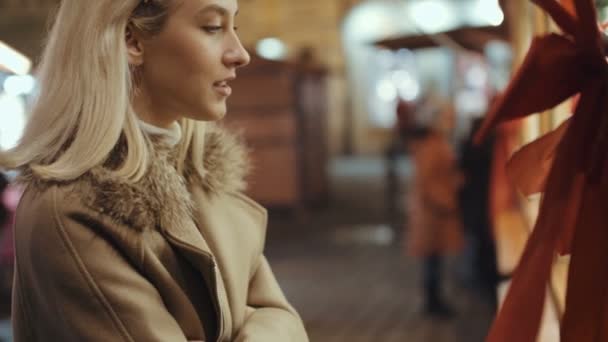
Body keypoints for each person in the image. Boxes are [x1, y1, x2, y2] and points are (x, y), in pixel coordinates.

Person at [0, 0, 308, 341]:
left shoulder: (199, 174)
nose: (240, 54)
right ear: (132, 41)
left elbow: (279, 314)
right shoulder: (71, 212)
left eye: (234, 27)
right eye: (212, 27)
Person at [406, 126, 464, 317]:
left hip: (431, 214)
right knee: (433, 260)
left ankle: (433, 301)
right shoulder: (433, 149)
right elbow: (428, 183)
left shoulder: (430, 148)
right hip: (433, 215)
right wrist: (447, 201)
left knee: (433, 260)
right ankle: (433, 302)